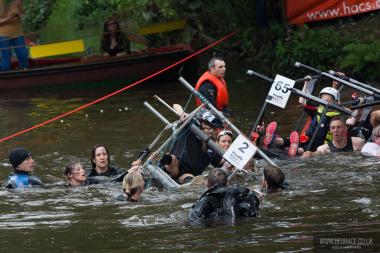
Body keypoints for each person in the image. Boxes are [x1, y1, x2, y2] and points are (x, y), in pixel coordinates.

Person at [263, 84, 341, 155]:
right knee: (290, 140)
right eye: (322, 101)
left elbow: (346, 124)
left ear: (335, 102)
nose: (324, 104)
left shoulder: (337, 117)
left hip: (319, 143)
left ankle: (294, 150)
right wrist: (306, 84)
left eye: (327, 102)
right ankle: (273, 139)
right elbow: (301, 101)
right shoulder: (317, 110)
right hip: (306, 137)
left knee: (304, 148)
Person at [160, 108, 223, 184]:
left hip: (187, 175)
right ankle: (165, 163)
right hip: (173, 165)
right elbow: (176, 105)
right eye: (215, 129)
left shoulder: (213, 148)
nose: (217, 132)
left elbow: (219, 163)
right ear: (204, 125)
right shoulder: (191, 126)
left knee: (192, 179)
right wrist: (182, 113)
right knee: (171, 159)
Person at [189, 168, 261, 221]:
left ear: (206, 183)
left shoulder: (205, 200)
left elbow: (194, 219)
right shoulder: (239, 195)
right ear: (227, 184)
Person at [0, 0, 29, 71]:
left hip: (18, 33)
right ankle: (5, 75)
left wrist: (20, 15)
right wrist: (8, 19)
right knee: (6, 58)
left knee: (23, 55)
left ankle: (25, 73)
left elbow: (22, 13)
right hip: (3, 34)